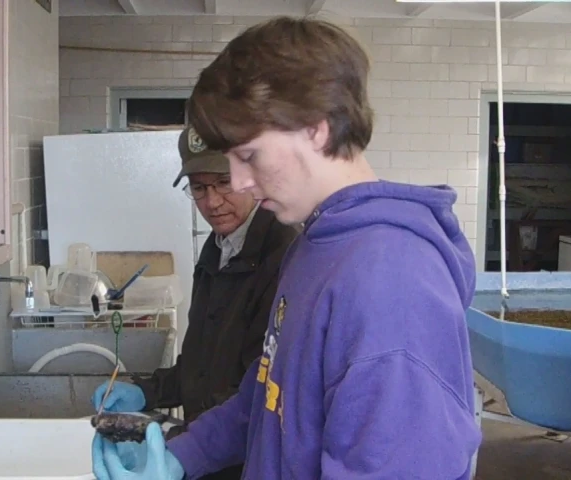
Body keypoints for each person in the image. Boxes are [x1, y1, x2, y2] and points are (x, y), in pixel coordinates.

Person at [91, 16, 482, 480]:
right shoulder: (314, 246)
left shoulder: (391, 282)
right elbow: (270, 392)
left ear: (315, 128)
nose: (238, 184)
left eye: (248, 156)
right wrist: (183, 455)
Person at [91, 126, 299, 479]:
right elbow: (203, 363)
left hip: (243, 461)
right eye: (199, 188)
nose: (212, 202)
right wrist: (146, 392)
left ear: (248, 177)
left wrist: (180, 445)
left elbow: (258, 393)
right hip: (206, 455)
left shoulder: (281, 258)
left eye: (222, 183)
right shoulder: (218, 248)